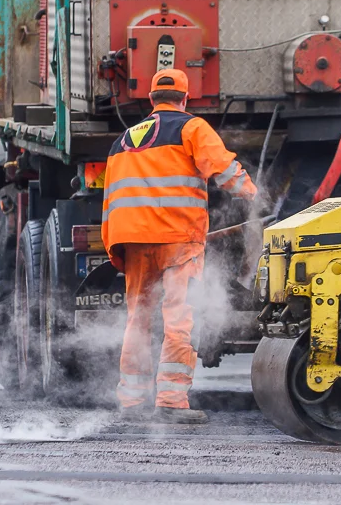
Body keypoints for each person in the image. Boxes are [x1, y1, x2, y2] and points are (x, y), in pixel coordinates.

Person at [102, 69, 258, 424]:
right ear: (185, 99)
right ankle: (171, 401)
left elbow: (110, 199)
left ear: (151, 100)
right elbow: (224, 169)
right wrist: (253, 196)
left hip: (133, 240)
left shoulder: (124, 140)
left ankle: (131, 401)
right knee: (178, 318)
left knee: (138, 319)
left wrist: (116, 247)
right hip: (177, 241)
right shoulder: (192, 128)